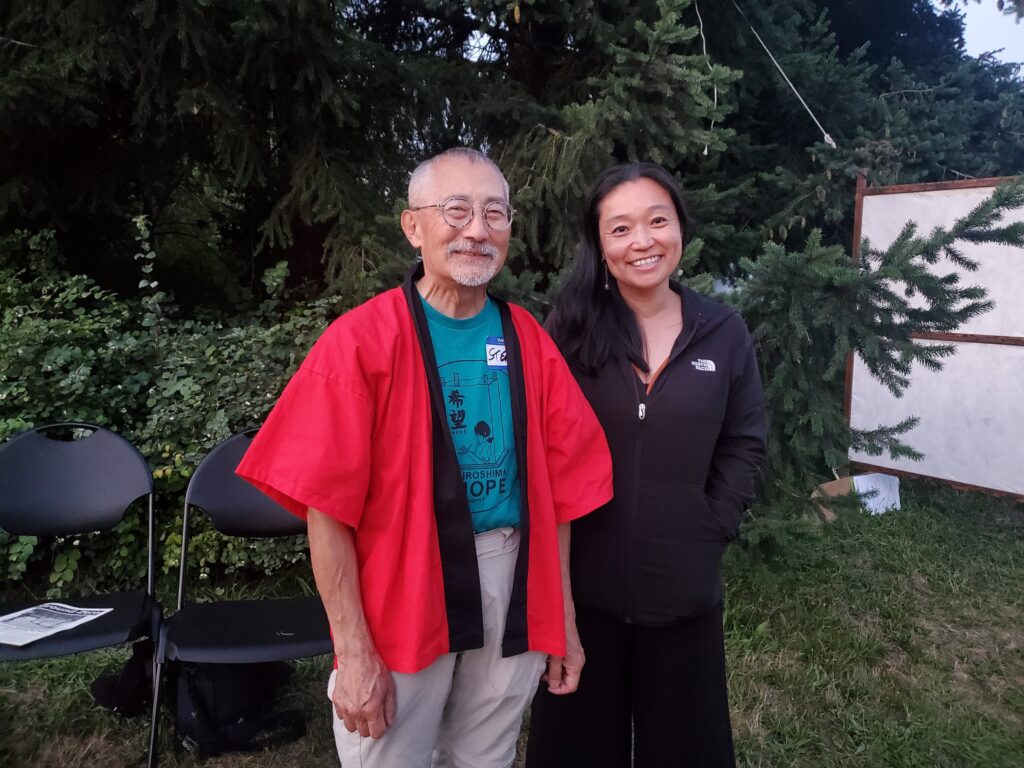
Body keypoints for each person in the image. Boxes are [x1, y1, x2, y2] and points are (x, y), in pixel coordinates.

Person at [236, 147, 612, 768]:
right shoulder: (360, 341)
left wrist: (562, 616)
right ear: (413, 226)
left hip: (509, 572)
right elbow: (323, 509)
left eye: (495, 212)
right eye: (456, 209)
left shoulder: (527, 339)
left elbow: (562, 494)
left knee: (484, 755)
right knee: (388, 751)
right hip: (398, 575)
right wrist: (353, 650)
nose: (476, 229)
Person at [526, 162, 767, 768]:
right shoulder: (571, 331)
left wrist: (713, 521)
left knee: (687, 750)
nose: (642, 241)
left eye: (657, 221)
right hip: (584, 593)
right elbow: (541, 444)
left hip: (684, 590)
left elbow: (745, 441)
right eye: (621, 228)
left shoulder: (724, 332)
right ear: (600, 246)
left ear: (679, 228)